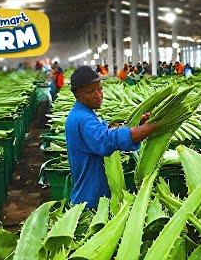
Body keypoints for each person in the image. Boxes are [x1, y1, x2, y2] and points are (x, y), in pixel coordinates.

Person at [65, 66, 160, 209]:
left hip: (91, 192)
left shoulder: (84, 113)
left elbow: (106, 130)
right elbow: (105, 140)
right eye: (90, 91)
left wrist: (138, 125)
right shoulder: (83, 119)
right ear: (77, 94)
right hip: (91, 200)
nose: (98, 94)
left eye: (100, 89)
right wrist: (152, 127)